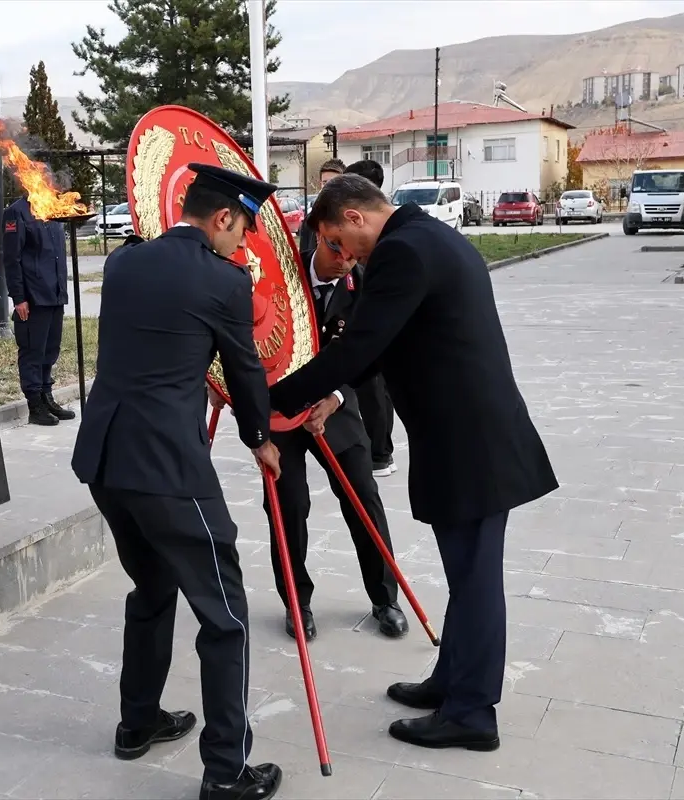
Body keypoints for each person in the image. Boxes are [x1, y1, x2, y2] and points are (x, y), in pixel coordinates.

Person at [269, 175, 558, 753]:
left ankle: (472, 714)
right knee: (466, 576)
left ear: (353, 216)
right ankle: (451, 683)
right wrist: (330, 394)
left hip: (469, 443)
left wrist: (272, 398)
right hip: (470, 435)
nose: (340, 257)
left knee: (475, 580)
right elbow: (389, 348)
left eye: (335, 241)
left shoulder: (402, 251)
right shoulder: (428, 238)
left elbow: (359, 347)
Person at [71, 163, 284, 800]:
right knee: (226, 617)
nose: (240, 243)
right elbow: (245, 370)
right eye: (240, 229)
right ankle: (226, 773)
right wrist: (260, 439)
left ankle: (137, 722)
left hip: (107, 462)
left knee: (152, 585)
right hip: (169, 469)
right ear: (222, 218)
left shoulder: (123, 263)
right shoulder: (223, 282)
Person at [207, 231, 408, 642]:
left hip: (333, 408)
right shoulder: (280, 270)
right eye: (338, 251)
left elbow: (370, 354)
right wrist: (218, 378)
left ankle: (385, 598)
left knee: (363, 500)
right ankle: (296, 602)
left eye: (354, 258)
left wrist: (335, 397)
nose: (345, 263)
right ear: (323, 235)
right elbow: (240, 330)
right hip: (278, 409)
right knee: (287, 506)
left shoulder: (364, 285)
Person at [342, 159, 397, 477]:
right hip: (348, 312)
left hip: (367, 319)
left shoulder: (393, 247)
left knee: (375, 391)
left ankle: (380, 453)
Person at [2, 192, 75, 426]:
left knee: (50, 350)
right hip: (33, 296)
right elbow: (11, 258)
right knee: (33, 352)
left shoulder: (52, 208)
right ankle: (35, 405)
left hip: (54, 293)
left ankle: (47, 397)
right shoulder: (17, 212)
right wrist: (19, 297)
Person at [298, 158, 345, 254]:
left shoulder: (352, 218)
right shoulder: (310, 220)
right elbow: (304, 255)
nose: (328, 186)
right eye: (325, 182)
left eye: (334, 181)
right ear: (320, 184)